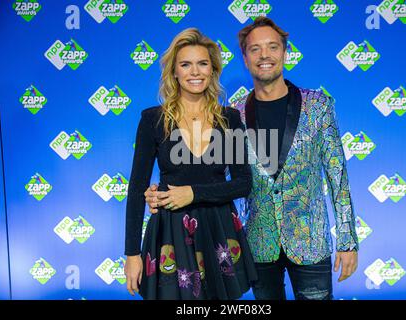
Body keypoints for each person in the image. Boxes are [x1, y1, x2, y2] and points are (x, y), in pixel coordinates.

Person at [146, 17, 359, 300]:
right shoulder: (232, 115)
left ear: (285, 53)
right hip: (258, 246)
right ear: (245, 59)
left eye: (272, 47)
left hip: (310, 243)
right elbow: (210, 173)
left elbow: (338, 178)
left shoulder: (317, 106)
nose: (264, 55)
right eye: (255, 49)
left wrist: (348, 241)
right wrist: (160, 193)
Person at [124, 28, 257, 300]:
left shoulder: (228, 119)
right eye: (185, 64)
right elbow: (137, 190)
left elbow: (244, 184)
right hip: (170, 232)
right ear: (174, 71)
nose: (194, 72)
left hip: (218, 229)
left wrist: (193, 193)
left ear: (213, 70)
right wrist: (132, 254)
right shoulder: (153, 120)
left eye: (202, 63)